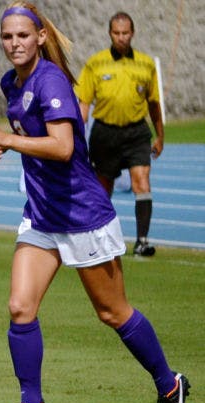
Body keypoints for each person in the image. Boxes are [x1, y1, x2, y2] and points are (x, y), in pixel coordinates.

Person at [0, 2, 188, 403]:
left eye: (23, 36)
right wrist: (5, 146)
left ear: (41, 37)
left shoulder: (52, 80)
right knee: (19, 307)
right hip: (43, 214)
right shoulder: (12, 81)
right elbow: (33, 137)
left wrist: (6, 138)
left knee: (112, 312)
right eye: (8, 37)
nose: (14, 44)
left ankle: (169, 384)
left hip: (82, 214)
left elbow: (64, 147)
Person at [75, 12, 164, 257]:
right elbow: (84, 105)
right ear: (110, 34)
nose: (121, 37)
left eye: (126, 33)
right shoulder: (96, 63)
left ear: (132, 33)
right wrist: (77, 137)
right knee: (103, 190)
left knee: (142, 183)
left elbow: (154, 103)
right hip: (105, 134)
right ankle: (100, 240)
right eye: (117, 33)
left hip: (136, 133)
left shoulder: (145, 64)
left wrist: (160, 135)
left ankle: (142, 241)